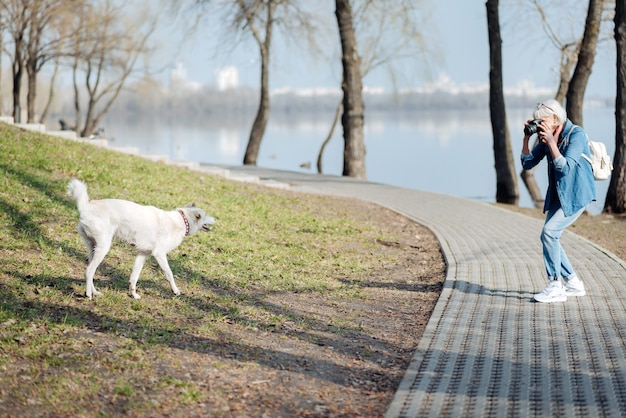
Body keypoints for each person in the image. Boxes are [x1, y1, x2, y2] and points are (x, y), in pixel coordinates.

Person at [521, 100, 596, 303]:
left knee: (549, 234)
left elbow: (564, 167)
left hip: (577, 194)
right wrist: (528, 138)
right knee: (549, 236)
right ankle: (573, 283)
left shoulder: (576, 135)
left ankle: (555, 286)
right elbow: (527, 163)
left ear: (555, 118)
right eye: (538, 120)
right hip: (559, 194)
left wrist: (552, 145)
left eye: (542, 120)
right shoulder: (546, 136)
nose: (540, 124)